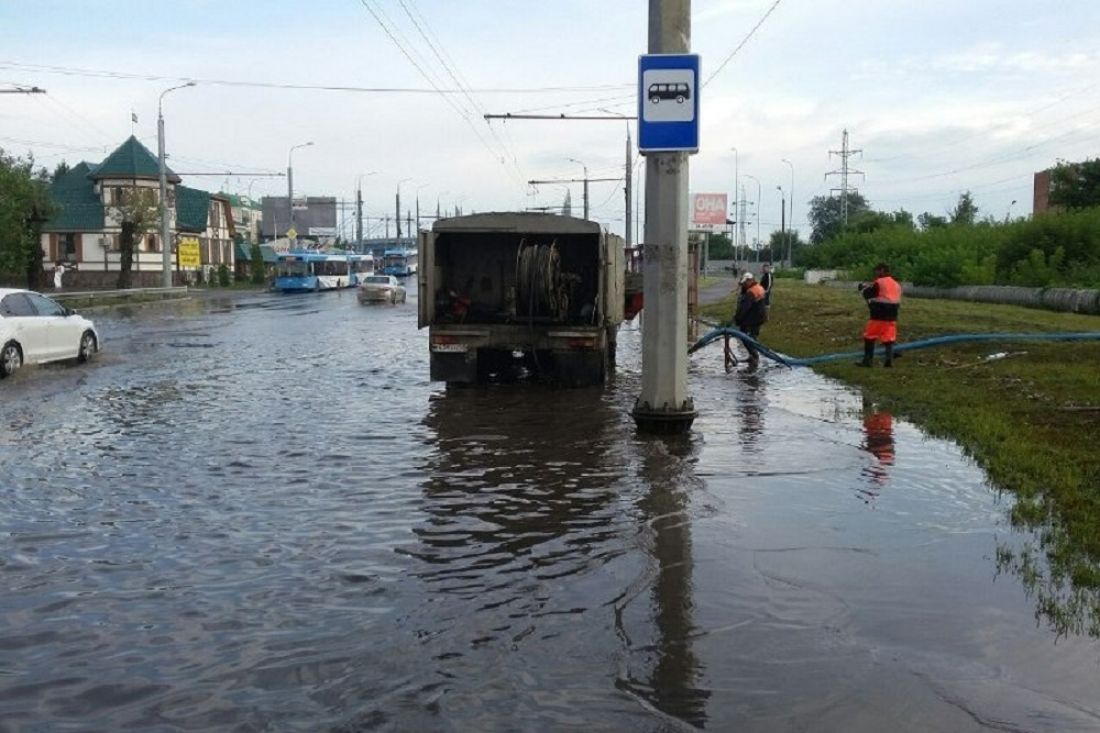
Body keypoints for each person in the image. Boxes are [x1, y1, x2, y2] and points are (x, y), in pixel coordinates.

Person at [858, 262, 902, 367]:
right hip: (893, 315)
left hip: (879, 313)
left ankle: (867, 361)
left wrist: (862, 288)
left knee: (869, 336)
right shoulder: (896, 284)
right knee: (889, 339)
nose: (875, 273)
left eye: (877, 271)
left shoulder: (880, 282)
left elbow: (869, 294)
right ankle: (889, 362)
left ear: (882, 270)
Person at [733, 271, 768, 369]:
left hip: (753, 319)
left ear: (750, 280)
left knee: (746, 338)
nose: (743, 285)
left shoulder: (751, 292)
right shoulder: (759, 288)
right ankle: (752, 356)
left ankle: (754, 357)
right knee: (752, 338)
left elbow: (744, 308)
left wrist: (737, 319)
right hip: (759, 317)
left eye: (745, 283)